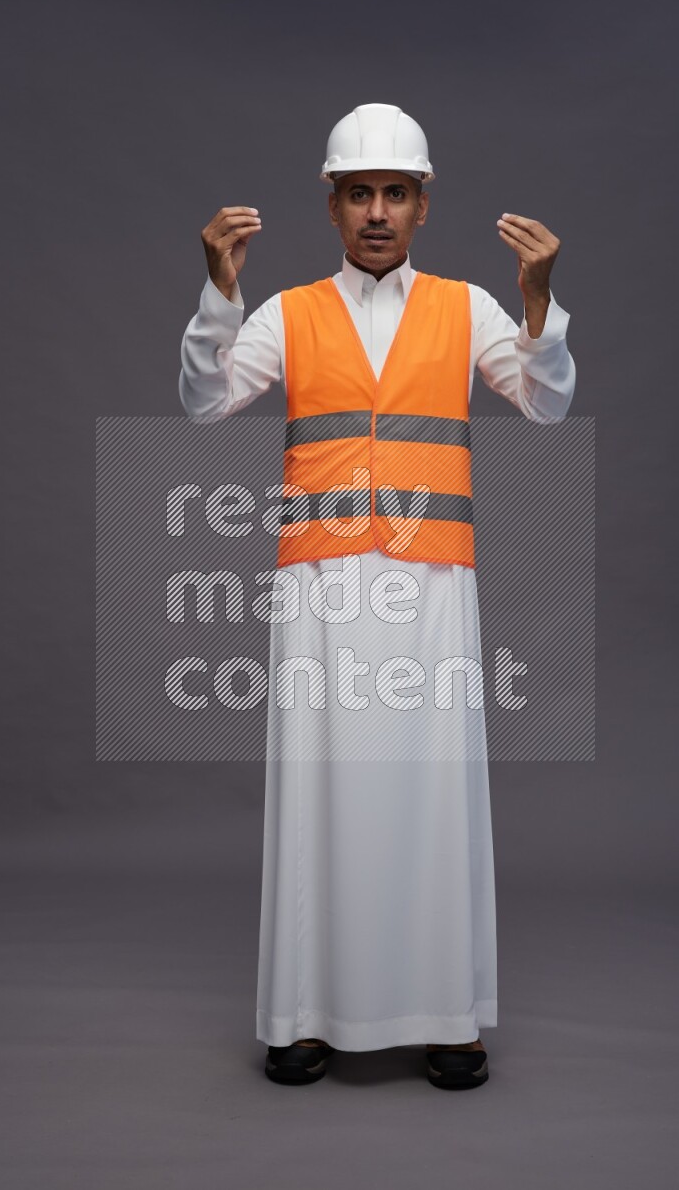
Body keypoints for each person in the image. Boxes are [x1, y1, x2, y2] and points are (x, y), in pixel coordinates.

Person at [178, 103, 576, 1090]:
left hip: (430, 582)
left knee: (431, 790)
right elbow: (203, 399)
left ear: (422, 204)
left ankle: (445, 1016)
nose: (376, 211)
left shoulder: (469, 306)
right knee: (321, 789)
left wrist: (537, 309)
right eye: (358, 192)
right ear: (332, 203)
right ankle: (306, 1014)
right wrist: (218, 298)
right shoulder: (286, 313)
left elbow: (546, 402)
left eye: (395, 192)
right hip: (317, 582)